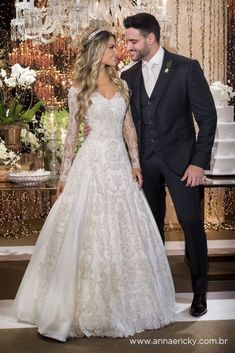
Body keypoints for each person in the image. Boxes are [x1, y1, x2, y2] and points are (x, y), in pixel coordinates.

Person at [13, 28, 175, 342]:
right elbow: (71, 137)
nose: (119, 52)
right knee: (83, 229)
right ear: (98, 51)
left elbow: (129, 128)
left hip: (119, 166)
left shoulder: (123, 85)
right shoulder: (79, 90)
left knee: (123, 231)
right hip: (90, 164)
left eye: (118, 47)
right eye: (113, 47)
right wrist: (63, 176)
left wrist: (136, 163)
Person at [121, 13, 217, 318]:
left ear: (151, 38)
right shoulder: (128, 77)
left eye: (133, 40)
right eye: (126, 41)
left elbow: (208, 119)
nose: (128, 46)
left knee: (191, 225)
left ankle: (200, 291)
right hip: (145, 166)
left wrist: (198, 164)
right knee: (151, 229)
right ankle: (156, 292)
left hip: (183, 164)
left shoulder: (187, 68)